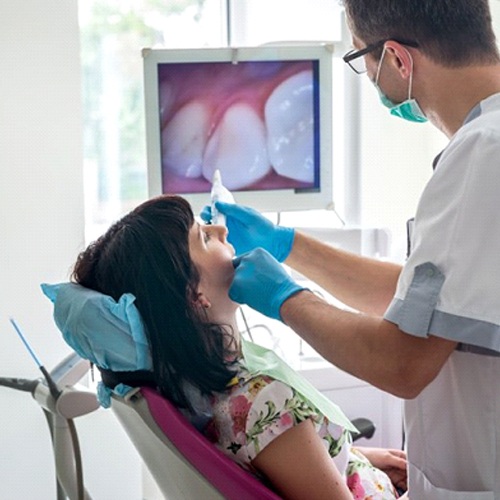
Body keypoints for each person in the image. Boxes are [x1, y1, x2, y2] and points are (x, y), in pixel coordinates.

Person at [205, 0, 500, 497]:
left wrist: (287, 299)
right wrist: (288, 246)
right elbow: (427, 304)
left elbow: (403, 364)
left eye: (361, 61)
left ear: (397, 59)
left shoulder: (482, 154)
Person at [60, 194, 407, 500]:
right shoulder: (261, 399)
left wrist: (356, 459)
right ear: (194, 296)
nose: (223, 232)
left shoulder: (203, 395)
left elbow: (276, 462)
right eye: (204, 237)